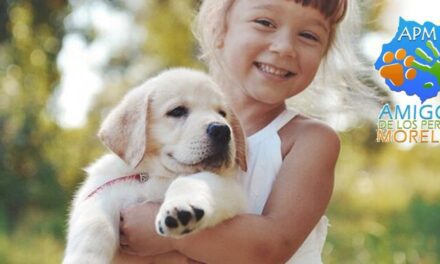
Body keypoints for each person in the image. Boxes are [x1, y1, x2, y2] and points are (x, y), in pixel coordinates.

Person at [117, 0, 377, 263]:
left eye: (308, 35)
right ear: (218, 28)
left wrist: (168, 233)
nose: (285, 47)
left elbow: (272, 247)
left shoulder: (310, 140)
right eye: (265, 23)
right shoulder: (166, 125)